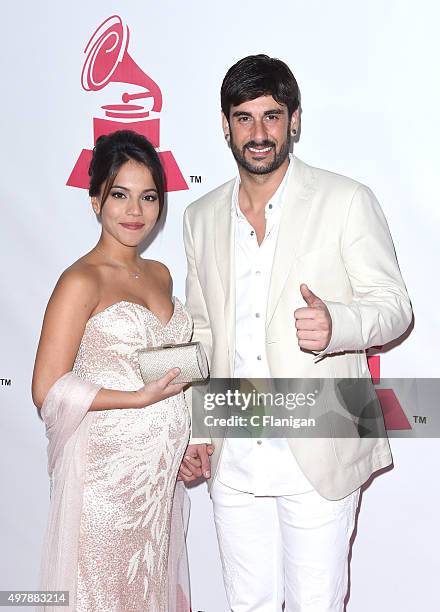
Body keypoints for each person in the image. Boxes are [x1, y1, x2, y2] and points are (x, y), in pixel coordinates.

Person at [179, 55, 412, 611]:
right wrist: (196, 428)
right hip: (235, 455)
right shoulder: (201, 215)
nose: (258, 133)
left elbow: (395, 306)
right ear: (225, 125)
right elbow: (203, 334)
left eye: (271, 116)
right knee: (246, 605)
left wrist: (339, 324)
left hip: (321, 445)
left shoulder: (346, 200)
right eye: (243, 118)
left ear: (295, 121)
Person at [32, 130, 192, 612]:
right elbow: (47, 389)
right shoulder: (82, 279)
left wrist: (190, 436)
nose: (135, 211)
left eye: (148, 197)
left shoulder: (161, 274)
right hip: (104, 479)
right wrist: (137, 399)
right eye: (120, 195)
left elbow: (172, 369)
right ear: (95, 198)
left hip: (158, 479)